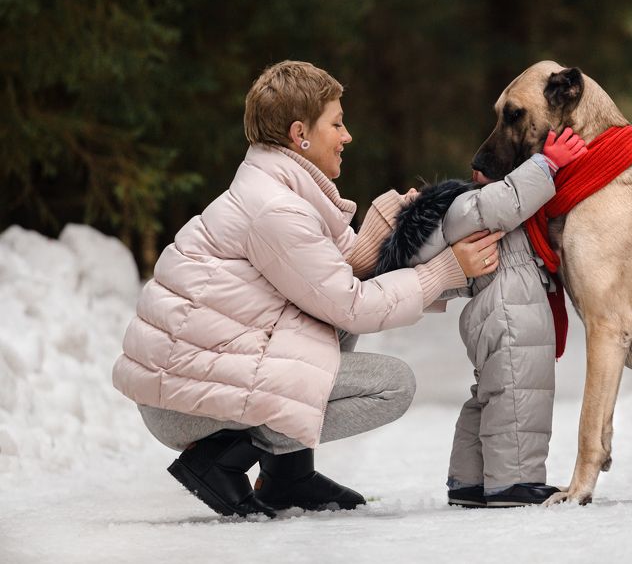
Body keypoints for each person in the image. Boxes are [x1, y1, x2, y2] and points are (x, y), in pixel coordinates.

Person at [111, 60, 503, 518]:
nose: (347, 135)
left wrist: (384, 235)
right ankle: (220, 458)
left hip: (198, 378)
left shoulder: (286, 191)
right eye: (337, 123)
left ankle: (287, 478)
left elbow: (336, 284)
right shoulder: (276, 209)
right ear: (300, 134)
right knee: (392, 386)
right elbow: (352, 306)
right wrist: (444, 271)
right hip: (181, 400)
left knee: (327, 327)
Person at [374, 128, 586, 507]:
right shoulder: (470, 207)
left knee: (491, 394)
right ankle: (514, 480)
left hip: (499, 310)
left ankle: (469, 481)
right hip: (511, 313)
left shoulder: (463, 214)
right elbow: (509, 200)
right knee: (520, 391)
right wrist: (547, 163)